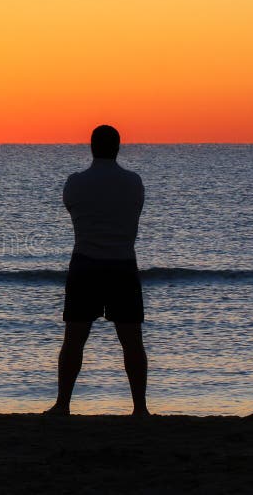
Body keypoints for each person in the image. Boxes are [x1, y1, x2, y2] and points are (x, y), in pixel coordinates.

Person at [46, 125, 150, 417]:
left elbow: (72, 210)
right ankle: (140, 408)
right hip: (122, 264)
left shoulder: (76, 183)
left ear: (91, 147)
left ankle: (63, 404)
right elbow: (134, 212)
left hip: (86, 263)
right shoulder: (133, 182)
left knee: (74, 339)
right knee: (132, 341)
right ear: (118, 147)